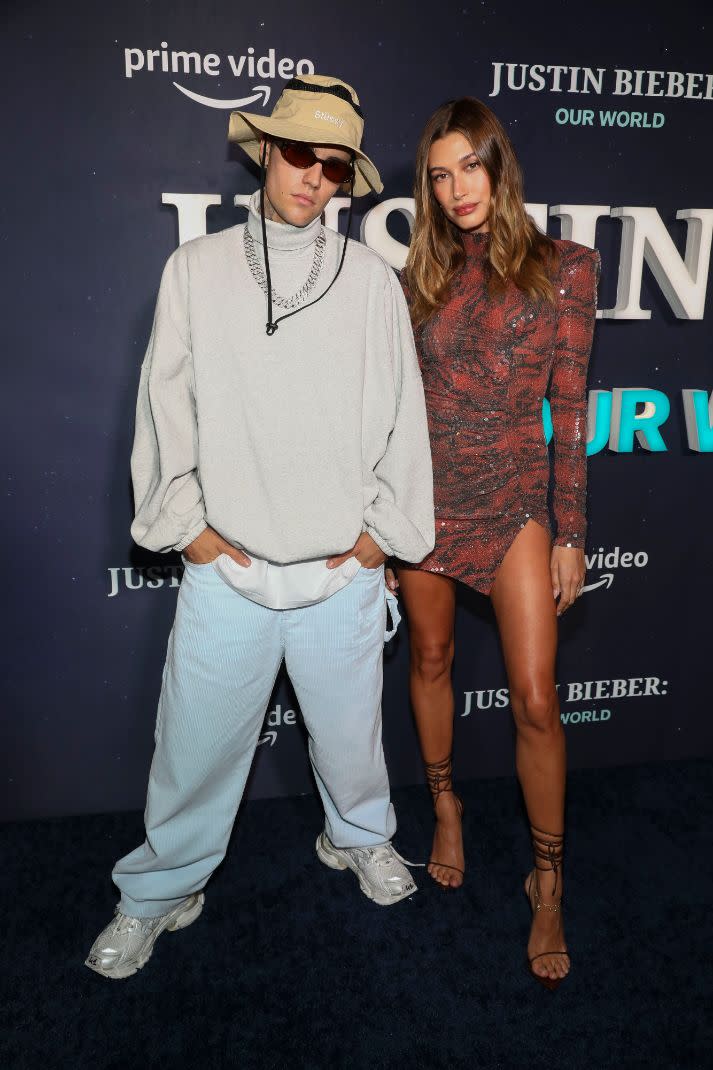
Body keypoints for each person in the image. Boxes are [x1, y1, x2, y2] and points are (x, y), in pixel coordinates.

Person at [85, 74, 434, 980]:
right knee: (193, 746)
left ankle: (358, 838)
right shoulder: (194, 270)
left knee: (354, 738)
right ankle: (160, 892)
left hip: (338, 569)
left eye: (332, 165)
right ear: (263, 153)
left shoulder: (370, 284)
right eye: (296, 155)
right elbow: (164, 405)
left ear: (346, 179)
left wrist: (376, 541)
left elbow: (404, 418)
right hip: (227, 568)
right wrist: (188, 531)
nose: (312, 177)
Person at [395, 97, 599, 990]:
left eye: (467, 167)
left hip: (516, 500)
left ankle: (546, 879)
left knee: (534, 699)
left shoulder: (567, 268)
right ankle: (445, 808)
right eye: (437, 176)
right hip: (424, 500)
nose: (454, 190)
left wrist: (569, 533)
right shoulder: (417, 280)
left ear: (497, 166)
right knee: (431, 657)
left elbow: (570, 412)